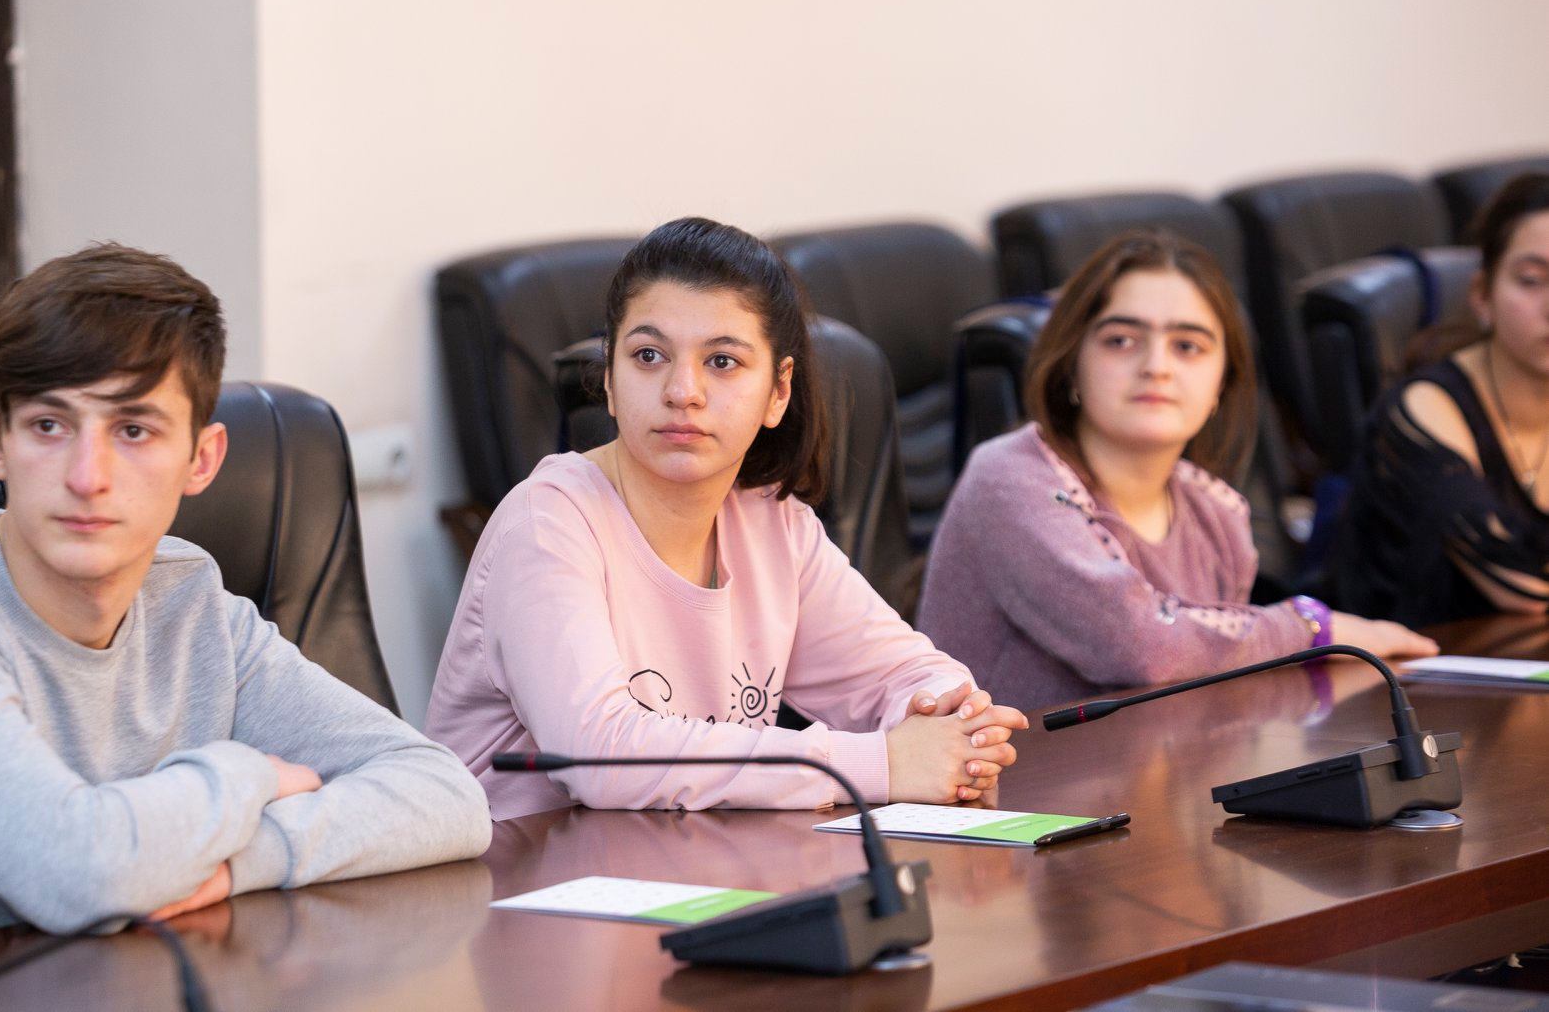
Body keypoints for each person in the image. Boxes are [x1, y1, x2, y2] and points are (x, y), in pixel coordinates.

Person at [0, 245, 490, 994]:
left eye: (133, 429)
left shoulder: (188, 597)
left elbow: (444, 793)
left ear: (202, 458)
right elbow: (79, 874)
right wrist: (247, 774)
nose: (87, 475)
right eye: (49, 425)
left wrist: (243, 858)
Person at [426, 217, 1027, 822]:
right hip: (525, 868)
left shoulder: (773, 523)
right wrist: (883, 763)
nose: (682, 391)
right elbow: (598, 756)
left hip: (687, 856)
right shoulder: (546, 523)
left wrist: (956, 728)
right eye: (648, 356)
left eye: (722, 361)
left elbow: (903, 672)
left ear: (778, 392)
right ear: (608, 378)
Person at [916, 230, 1436, 713]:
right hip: (1012, 781)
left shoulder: (1218, 512)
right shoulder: (1008, 477)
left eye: (1187, 346)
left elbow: (1212, 686)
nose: (1157, 366)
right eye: (1121, 340)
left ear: (1220, 386)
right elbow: (1139, 646)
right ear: (1071, 364)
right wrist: (1311, 626)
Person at [1331, 172, 1549, 626]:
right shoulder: (1425, 407)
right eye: (1532, 280)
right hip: (1407, 664)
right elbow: (1518, 583)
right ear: (1482, 296)